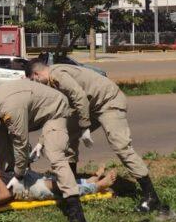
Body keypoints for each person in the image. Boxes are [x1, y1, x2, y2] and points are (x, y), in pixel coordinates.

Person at [28, 59, 163, 213]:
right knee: (67, 135)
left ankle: (152, 197)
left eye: (34, 80)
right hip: (90, 105)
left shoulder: (57, 75)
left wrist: (84, 126)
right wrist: (41, 142)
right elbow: (57, 116)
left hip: (108, 101)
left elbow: (80, 97)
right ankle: (71, 188)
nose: (37, 84)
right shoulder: (52, 83)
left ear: (36, 74)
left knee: (120, 145)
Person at [0, 80, 88, 222]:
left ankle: (76, 212)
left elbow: (20, 143)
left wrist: (18, 175)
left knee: (54, 154)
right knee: (9, 150)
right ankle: (29, 174)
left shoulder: (10, 107)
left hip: (55, 111)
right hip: (35, 113)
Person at [0, 166, 115, 211]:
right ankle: (97, 186)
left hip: (20, 175)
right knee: (55, 187)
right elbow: (6, 195)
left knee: (57, 180)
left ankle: (88, 180)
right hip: (20, 188)